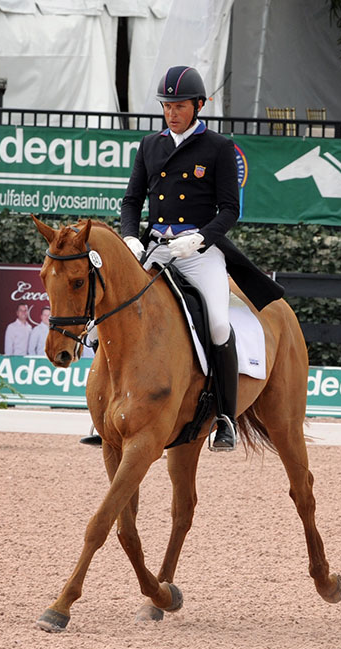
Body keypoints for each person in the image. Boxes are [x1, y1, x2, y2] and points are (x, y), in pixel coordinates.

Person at [119, 65, 285, 450]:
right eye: (166, 106)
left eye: (179, 106)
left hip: (199, 254)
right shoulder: (150, 145)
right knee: (113, 312)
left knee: (217, 326)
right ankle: (110, 408)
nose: (171, 113)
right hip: (157, 249)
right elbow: (132, 200)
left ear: (198, 105)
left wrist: (200, 239)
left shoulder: (218, 148)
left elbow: (230, 209)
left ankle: (225, 417)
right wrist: (130, 237)